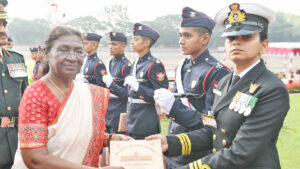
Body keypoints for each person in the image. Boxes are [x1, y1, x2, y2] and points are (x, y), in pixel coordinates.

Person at [147, 3, 290, 169]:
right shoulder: (225, 82)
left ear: (263, 45)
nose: (237, 43)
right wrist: (170, 143)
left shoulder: (271, 89)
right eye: (231, 38)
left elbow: (241, 152)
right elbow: (213, 131)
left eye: (247, 37)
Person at [12, 25, 128, 169]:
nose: (72, 58)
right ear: (47, 54)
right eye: (63, 50)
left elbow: (81, 133)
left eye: (79, 51)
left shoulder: (87, 92)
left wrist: (110, 139)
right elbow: (35, 159)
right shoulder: (36, 94)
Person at [153, 7, 231, 168]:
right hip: (173, 147)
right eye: (180, 35)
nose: (181, 41)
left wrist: (174, 108)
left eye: (187, 36)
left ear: (205, 38)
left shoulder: (216, 72)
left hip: (196, 152)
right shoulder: (181, 66)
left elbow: (212, 123)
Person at [108, 23, 169, 139]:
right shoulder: (136, 63)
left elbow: (161, 95)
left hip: (145, 122)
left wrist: (138, 88)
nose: (132, 42)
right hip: (132, 120)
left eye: (136, 39)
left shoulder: (154, 65)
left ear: (146, 43)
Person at [0, 1, 28, 168]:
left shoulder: (17, 59)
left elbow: (27, 100)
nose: (3, 30)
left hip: (16, 140)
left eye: (4, 24)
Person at [102, 32, 131, 134]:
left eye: (114, 44)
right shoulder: (111, 62)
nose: (110, 47)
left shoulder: (126, 66)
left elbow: (127, 94)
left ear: (123, 46)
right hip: (109, 111)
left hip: (119, 111)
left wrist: (112, 85)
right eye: (109, 44)